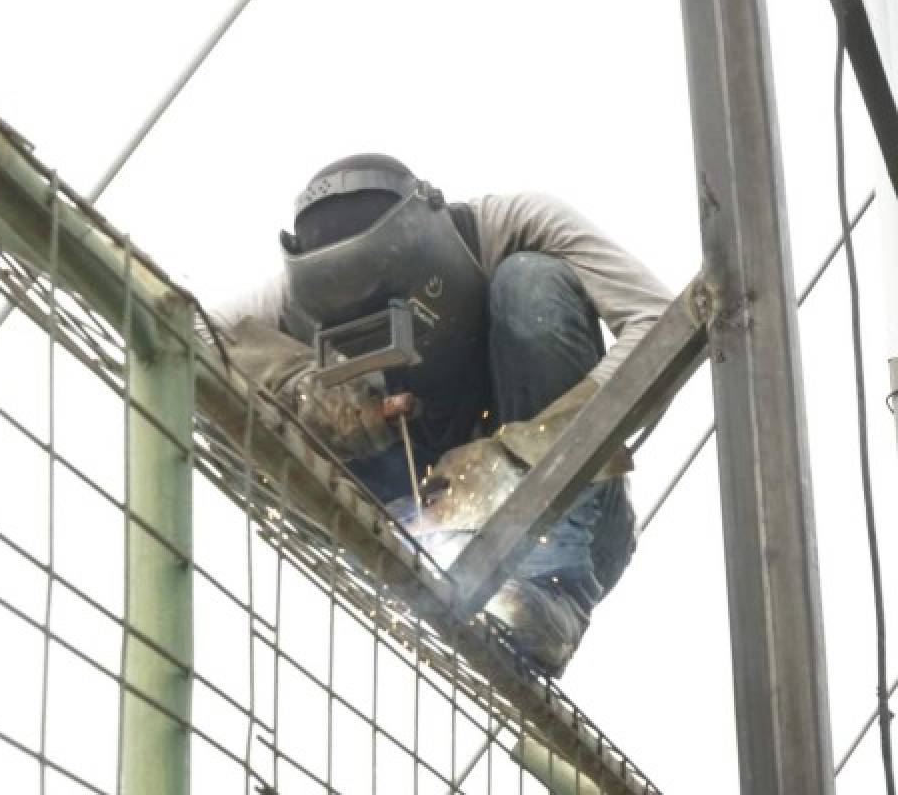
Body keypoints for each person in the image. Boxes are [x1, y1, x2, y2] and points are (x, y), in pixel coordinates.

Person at [214, 154, 672, 676]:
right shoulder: (296, 299)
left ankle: (550, 590)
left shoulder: (511, 224)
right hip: (420, 518)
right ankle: (421, 564)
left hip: (578, 519)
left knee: (529, 284)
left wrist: (522, 450)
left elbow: (659, 321)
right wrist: (302, 390)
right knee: (233, 400)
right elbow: (189, 335)